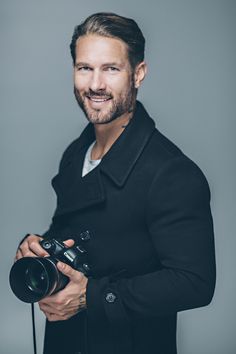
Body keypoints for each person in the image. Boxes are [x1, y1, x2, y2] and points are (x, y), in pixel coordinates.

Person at [15, 12, 216, 354]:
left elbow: (194, 283)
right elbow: (73, 231)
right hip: (64, 341)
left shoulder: (172, 172)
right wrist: (39, 248)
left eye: (111, 69)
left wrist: (89, 297)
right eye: (84, 68)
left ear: (138, 73)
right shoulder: (77, 152)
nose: (95, 84)